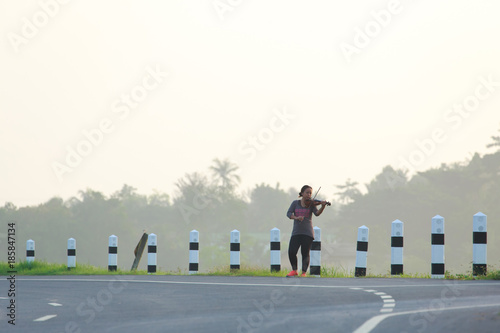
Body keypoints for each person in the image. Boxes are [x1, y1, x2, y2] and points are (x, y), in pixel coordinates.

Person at [286, 185, 328, 277]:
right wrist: (296, 217)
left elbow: (317, 214)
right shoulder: (295, 203)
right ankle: (294, 270)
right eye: (307, 192)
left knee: (305, 253)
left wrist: (323, 206)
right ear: (302, 193)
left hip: (307, 232)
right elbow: (288, 214)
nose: (309, 195)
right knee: (291, 251)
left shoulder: (312, 204)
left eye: (310, 193)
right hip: (296, 232)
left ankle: (304, 272)